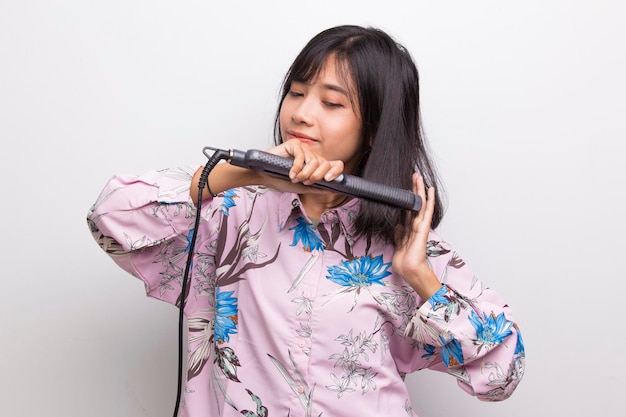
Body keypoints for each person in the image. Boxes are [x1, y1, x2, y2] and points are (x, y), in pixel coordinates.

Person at [87, 25, 525, 417]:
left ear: (373, 128)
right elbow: (110, 219)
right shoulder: (232, 212)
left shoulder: (408, 244)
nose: (301, 113)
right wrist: (244, 173)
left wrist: (420, 277)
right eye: (296, 93)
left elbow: (503, 372)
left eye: (332, 102)